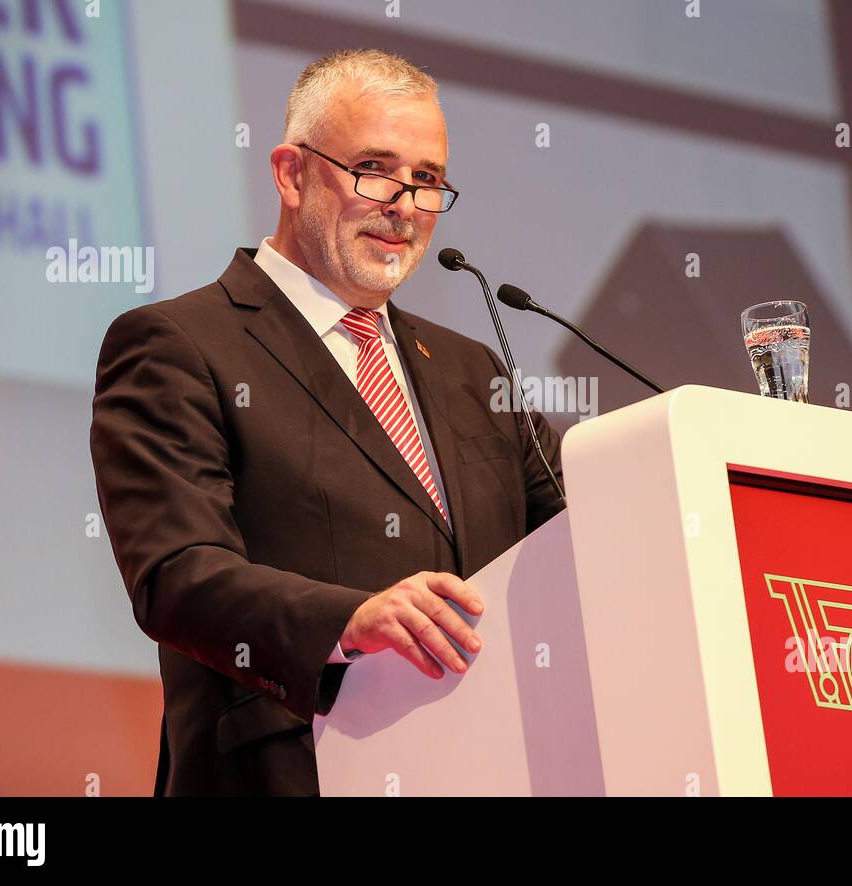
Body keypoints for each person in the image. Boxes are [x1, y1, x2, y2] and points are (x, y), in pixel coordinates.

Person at [89, 48, 565, 796]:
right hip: (290, 772)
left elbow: (574, 534)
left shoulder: (474, 371)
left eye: (429, 180)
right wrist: (349, 621)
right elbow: (176, 576)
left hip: (490, 767)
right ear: (290, 173)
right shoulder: (178, 343)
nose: (405, 205)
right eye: (374, 167)